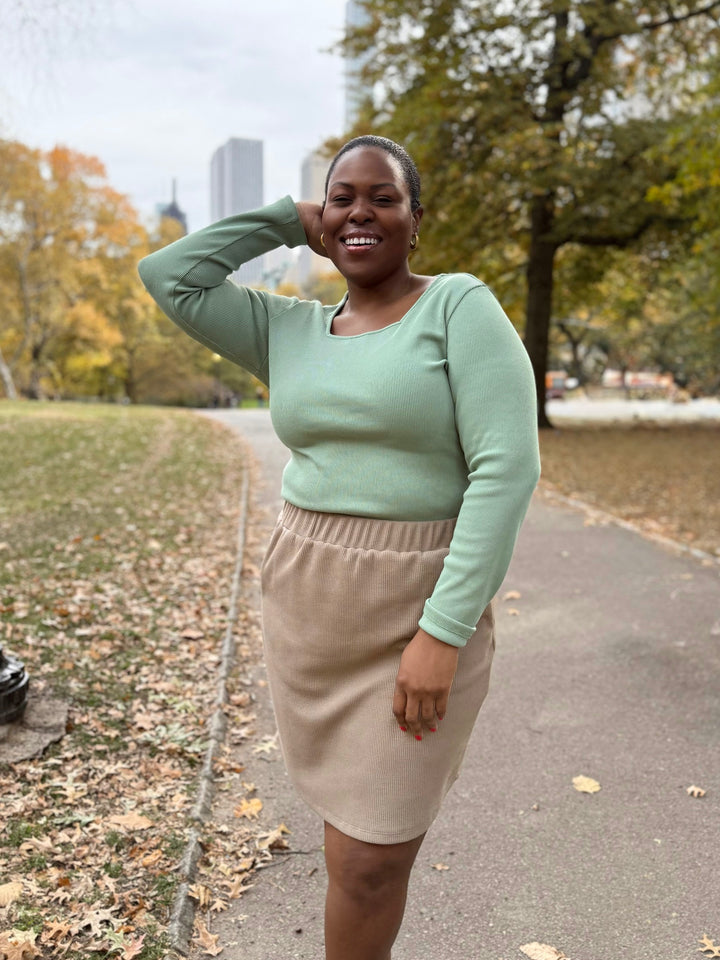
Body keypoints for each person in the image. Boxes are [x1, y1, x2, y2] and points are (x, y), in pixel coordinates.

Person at [138, 135, 540, 960]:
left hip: (416, 615)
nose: (361, 212)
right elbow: (167, 276)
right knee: (343, 842)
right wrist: (288, 219)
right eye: (341, 197)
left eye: (383, 198)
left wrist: (443, 631)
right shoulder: (286, 329)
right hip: (310, 610)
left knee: (368, 859)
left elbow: (506, 471)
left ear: (416, 221)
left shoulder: (458, 307)